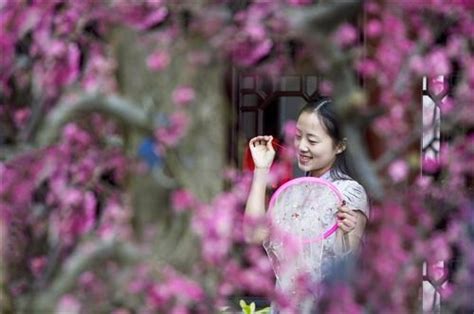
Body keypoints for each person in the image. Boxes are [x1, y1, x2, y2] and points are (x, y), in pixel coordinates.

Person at [244, 97, 370, 312]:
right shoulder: (292, 195)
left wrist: (349, 234)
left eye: (312, 140)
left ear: (340, 145)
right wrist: (261, 169)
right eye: (298, 137)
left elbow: (351, 264)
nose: (301, 146)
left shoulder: (349, 193)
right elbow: (253, 233)